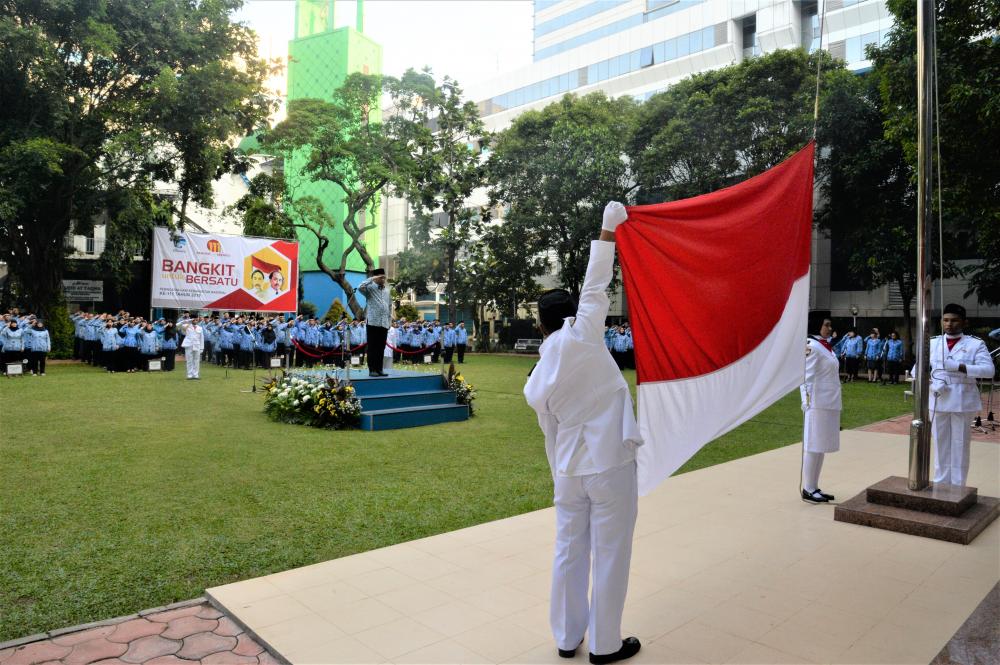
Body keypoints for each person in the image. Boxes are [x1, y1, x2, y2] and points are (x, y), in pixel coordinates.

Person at [523, 201, 642, 664]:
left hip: (569, 469)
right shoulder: (585, 333)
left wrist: (560, 475)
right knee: (610, 552)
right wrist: (607, 228)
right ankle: (606, 645)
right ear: (571, 315)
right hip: (610, 461)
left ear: (540, 324)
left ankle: (568, 637)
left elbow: (547, 429)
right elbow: (597, 282)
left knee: (569, 552)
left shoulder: (537, 374)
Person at [915, 304, 994, 486]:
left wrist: (960, 366)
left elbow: (989, 371)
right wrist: (926, 376)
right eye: (946, 320)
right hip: (939, 397)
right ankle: (941, 481)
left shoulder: (975, 344)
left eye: (954, 320)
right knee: (940, 441)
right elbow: (917, 369)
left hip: (962, 400)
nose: (949, 324)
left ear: (964, 322)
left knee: (959, 443)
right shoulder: (933, 343)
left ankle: (958, 485)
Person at [800, 318, 842, 503]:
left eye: (830, 325)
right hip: (816, 402)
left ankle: (814, 486)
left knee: (821, 445)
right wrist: (806, 401)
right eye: (826, 324)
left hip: (829, 401)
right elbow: (806, 376)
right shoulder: (812, 346)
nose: (829, 328)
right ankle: (807, 488)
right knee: (812, 445)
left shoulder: (826, 346)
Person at [358, 268, 391, 377]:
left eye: (384, 277)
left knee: (381, 347)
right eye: (381, 277)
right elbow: (360, 287)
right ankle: (372, 369)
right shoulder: (369, 288)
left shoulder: (386, 291)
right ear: (376, 278)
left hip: (384, 322)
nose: (383, 279)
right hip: (372, 322)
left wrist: (389, 320)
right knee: (372, 347)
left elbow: (389, 306)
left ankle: (379, 369)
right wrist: (372, 278)